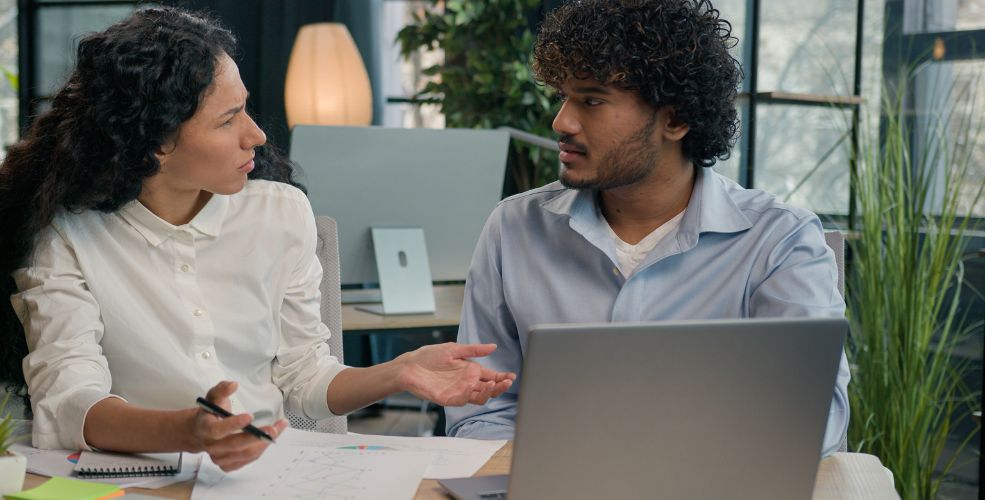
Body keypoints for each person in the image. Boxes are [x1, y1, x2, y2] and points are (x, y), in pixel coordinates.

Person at [0, 7, 515, 471]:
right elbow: (69, 398)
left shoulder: (281, 212)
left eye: (245, 108)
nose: (257, 134)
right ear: (157, 143)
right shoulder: (66, 235)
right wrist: (187, 432)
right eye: (228, 120)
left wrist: (398, 372)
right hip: (138, 480)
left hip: (270, 475)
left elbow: (305, 377)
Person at [445, 0, 850, 456]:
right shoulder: (514, 228)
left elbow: (811, 419)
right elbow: (482, 413)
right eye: (563, 96)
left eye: (592, 100)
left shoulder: (779, 241)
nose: (562, 122)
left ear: (674, 119)